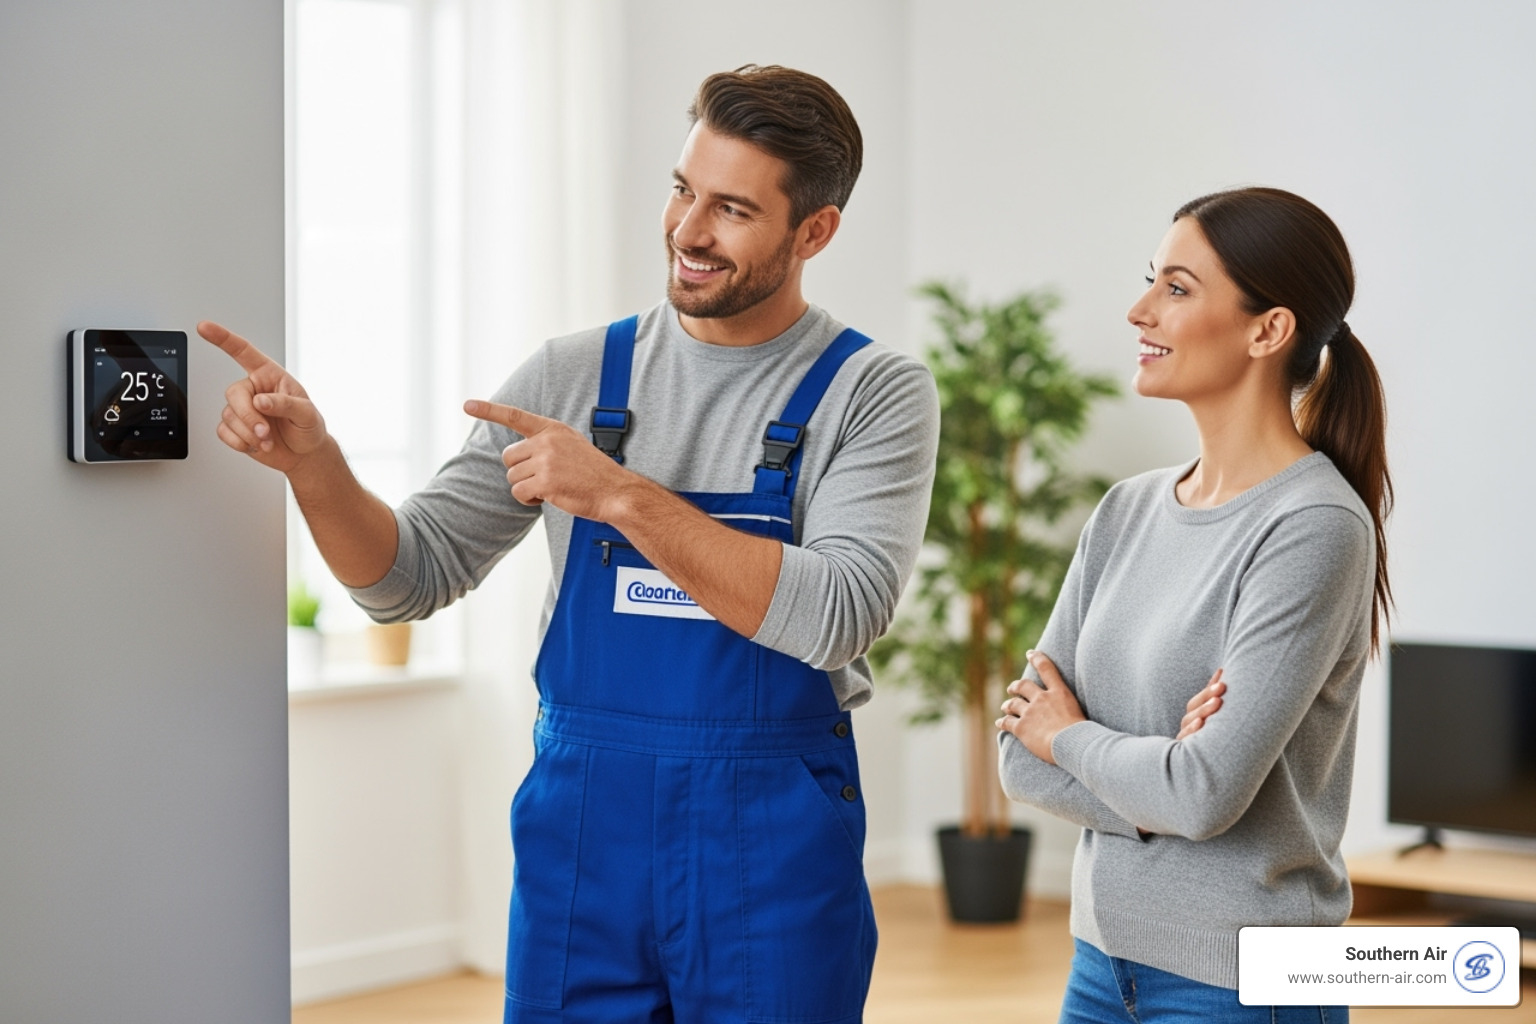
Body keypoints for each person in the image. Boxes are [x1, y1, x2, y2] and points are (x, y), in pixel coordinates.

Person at [204, 65, 938, 1023]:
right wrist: (316, 467)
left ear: (815, 231)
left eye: (730, 209)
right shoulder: (571, 373)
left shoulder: (873, 392)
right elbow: (408, 578)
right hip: (589, 839)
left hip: (771, 848)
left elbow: (835, 615)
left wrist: (620, 495)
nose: (686, 231)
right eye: (681, 189)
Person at [996, 187, 1390, 1023]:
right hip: (1102, 964)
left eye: (1177, 288)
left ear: (1267, 330)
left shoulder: (1313, 527)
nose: (1140, 310)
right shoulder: (1127, 511)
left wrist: (1071, 735)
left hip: (1249, 984)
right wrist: (1156, 777)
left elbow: (1200, 792)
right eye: (1152, 281)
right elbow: (1018, 759)